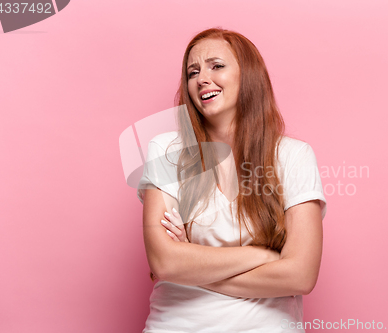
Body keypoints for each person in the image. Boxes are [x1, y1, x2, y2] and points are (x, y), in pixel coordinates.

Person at [137, 27, 327, 333]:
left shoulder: (294, 156)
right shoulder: (166, 150)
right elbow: (165, 262)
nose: (201, 79)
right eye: (193, 71)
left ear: (248, 76)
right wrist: (263, 256)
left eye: (217, 66)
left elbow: (301, 276)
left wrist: (194, 264)